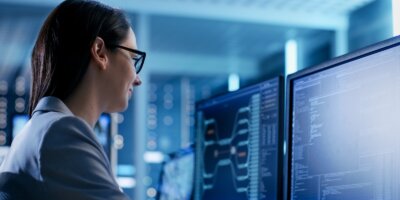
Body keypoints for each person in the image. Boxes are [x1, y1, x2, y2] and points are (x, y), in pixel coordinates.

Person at [0, 0, 145, 199]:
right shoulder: (61, 132)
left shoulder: (41, 129)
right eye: (132, 57)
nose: (138, 79)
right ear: (100, 52)